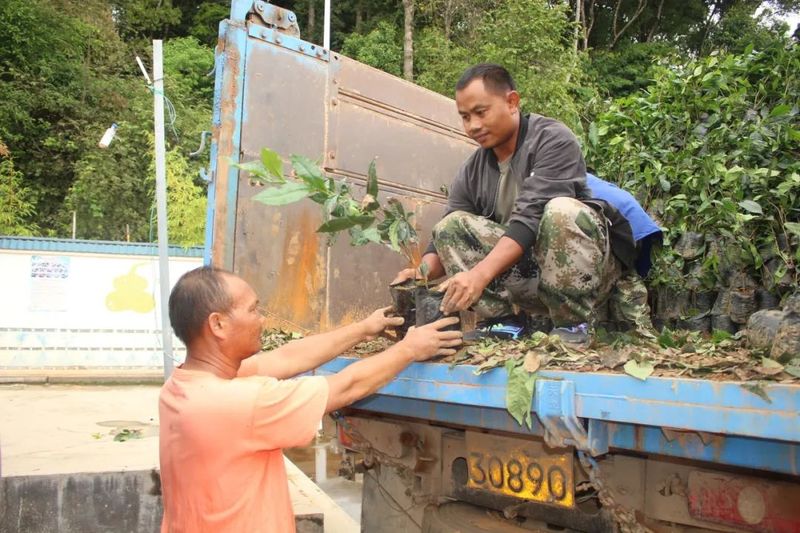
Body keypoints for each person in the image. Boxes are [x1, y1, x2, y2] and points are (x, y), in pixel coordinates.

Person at [159, 266, 461, 532]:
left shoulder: (183, 385)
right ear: (218, 324)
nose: (262, 320)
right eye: (253, 310)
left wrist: (363, 329)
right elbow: (347, 386)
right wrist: (410, 349)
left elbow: (286, 358)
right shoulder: (240, 403)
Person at [392, 63, 660, 343]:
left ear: (512, 102)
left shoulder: (553, 139)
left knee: (561, 211)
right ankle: (502, 322)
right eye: (465, 117)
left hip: (590, 272)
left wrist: (479, 275)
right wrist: (420, 272)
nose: (473, 126)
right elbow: (443, 239)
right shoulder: (472, 170)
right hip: (530, 271)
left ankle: (573, 325)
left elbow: (529, 219)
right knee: (451, 225)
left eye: (481, 113)